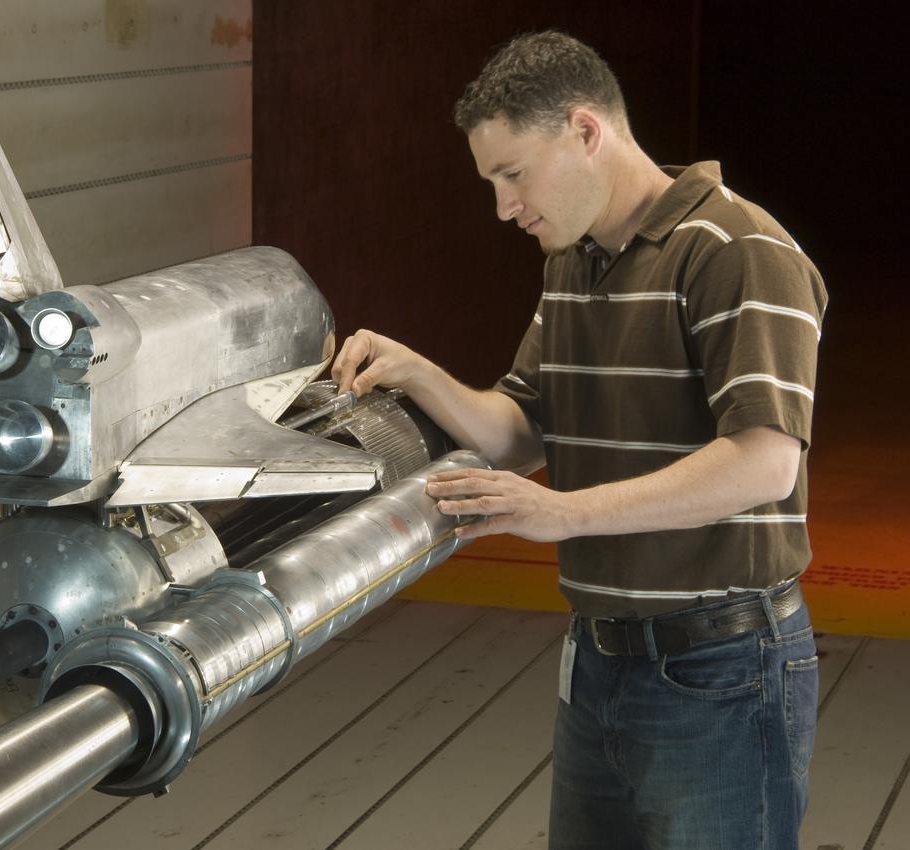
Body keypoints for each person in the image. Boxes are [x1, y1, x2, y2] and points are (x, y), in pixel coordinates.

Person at [331, 31, 827, 850]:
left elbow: (765, 462)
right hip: (599, 661)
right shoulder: (575, 260)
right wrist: (417, 373)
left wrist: (563, 513)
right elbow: (522, 430)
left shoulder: (738, 251)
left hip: (722, 672)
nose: (504, 207)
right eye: (491, 183)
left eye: (513, 174)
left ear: (585, 131)